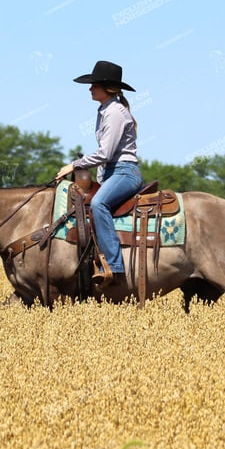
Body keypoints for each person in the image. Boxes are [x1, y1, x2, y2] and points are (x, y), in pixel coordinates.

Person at [56, 60, 144, 288]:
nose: (90, 88)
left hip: (125, 172)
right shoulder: (106, 110)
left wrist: (73, 165)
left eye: (94, 84)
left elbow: (105, 153)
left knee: (99, 205)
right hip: (113, 172)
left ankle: (114, 267)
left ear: (107, 87)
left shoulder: (115, 112)